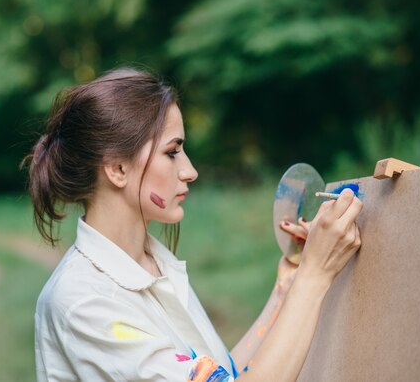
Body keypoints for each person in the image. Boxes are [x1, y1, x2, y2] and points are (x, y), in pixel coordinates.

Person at [24, 67, 363, 381]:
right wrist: (315, 275)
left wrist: (287, 286)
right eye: (172, 152)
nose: (189, 171)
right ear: (117, 169)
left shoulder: (154, 266)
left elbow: (222, 374)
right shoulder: (83, 302)